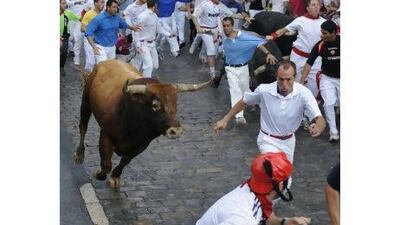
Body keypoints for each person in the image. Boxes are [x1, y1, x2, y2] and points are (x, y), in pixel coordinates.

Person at [214, 60, 326, 163]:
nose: (284, 84)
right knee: (275, 170)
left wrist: (318, 127)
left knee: (285, 179)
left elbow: (319, 118)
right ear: (276, 77)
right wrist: (225, 119)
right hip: (267, 140)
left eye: (288, 79)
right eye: (281, 79)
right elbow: (244, 100)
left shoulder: (304, 93)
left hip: (289, 141)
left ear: (294, 77)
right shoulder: (264, 90)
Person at [196, 152, 312, 225]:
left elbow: (267, 217)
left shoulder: (253, 191)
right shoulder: (244, 218)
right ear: (281, 185)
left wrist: (285, 222)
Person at [220, 17, 278, 126]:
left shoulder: (243, 36)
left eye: (228, 26)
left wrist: (268, 53)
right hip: (230, 68)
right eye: (224, 26)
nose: (225, 28)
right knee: (234, 90)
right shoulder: (223, 36)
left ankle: (258, 102)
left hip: (243, 67)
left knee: (245, 90)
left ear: (233, 26)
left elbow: (257, 43)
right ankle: (239, 116)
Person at [267, 0, 326, 98]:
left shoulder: (324, 22)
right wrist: (273, 36)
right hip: (298, 57)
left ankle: (309, 106)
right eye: (313, 5)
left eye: (318, 5)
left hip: (315, 60)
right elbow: (285, 29)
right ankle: (292, 102)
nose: (316, 7)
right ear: (307, 8)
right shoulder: (300, 20)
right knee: (294, 82)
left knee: (314, 85)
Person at [191, 0, 252, 79]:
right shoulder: (204, 4)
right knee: (211, 50)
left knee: (215, 53)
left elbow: (232, 14)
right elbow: (194, 16)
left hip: (215, 30)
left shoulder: (221, 5)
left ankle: (208, 62)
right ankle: (212, 73)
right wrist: (197, 26)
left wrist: (245, 17)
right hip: (206, 30)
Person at [300, 20, 340, 142]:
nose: (322, 35)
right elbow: (308, 64)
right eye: (321, 33)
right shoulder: (320, 45)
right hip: (327, 78)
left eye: (325, 33)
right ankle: (333, 133)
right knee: (328, 104)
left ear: (334, 32)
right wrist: (302, 81)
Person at [133, 0, 176, 77]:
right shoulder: (143, 16)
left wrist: (169, 34)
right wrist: (138, 46)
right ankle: (146, 81)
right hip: (143, 44)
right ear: (155, 5)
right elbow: (136, 31)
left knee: (155, 66)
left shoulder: (154, 16)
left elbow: (159, 29)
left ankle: (143, 75)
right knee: (149, 66)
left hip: (152, 44)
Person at [81, 0, 105, 72]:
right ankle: (87, 78)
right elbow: (82, 28)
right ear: (95, 3)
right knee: (90, 62)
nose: (103, 4)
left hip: (100, 41)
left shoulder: (104, 14)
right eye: (101, 2)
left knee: (101, 61)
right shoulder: (89, 14)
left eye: (103, 2)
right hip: (89, 40)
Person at [60, 0, 81, 76]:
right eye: (63, 3)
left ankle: (63, 66)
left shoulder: (69, 12)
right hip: (58, 34)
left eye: (65, 3)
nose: (65, 5)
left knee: (65, 51)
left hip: (66, 35)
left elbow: (78, 17)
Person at [67, 0, 88, 65]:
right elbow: (66, 2)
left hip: (79, 20)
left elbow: (90, 4)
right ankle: (70, 48)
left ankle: (76, 59)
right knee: (70, 38)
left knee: (78, 38)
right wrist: (76, 2)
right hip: (71, 19)